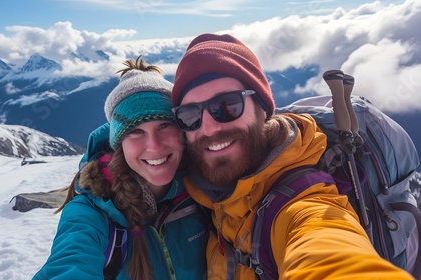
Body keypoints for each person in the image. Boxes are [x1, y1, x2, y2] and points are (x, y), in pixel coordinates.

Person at [170, 33, 414, 279]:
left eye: (227, 106)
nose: (209, 128)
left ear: (262, 109)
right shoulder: (202, 194)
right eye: (190, 115)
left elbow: (326, 246)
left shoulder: (303, 203)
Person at [33, 57, 207, 280]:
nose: (154, 146)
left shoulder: (205, 191)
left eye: (164, 125)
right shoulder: (92, 213)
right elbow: (70, 263)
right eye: (135, 131)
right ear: (119, 144)